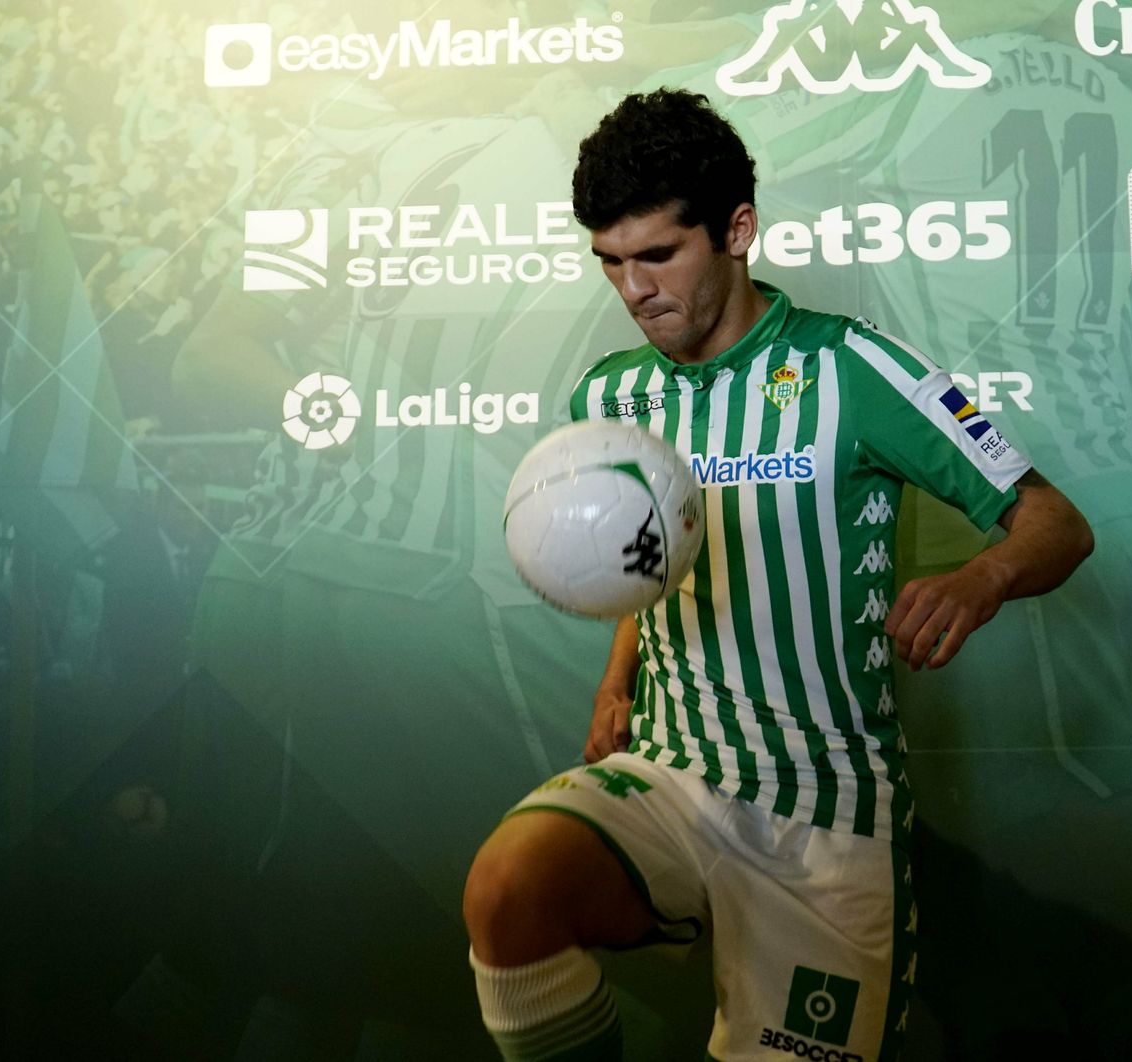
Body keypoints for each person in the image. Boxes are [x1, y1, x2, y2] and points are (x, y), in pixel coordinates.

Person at [461, 88, 1094, 1062]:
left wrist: (982, 578)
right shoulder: (609, 395)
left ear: (737, 229)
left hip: (822, 810)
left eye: (658, 255)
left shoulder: (854, 370)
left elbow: (1055, 523)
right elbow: (648, 553)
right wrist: (616, 678)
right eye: (611, 264)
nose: (634, 291)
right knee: (508, 889)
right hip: (669, 774)